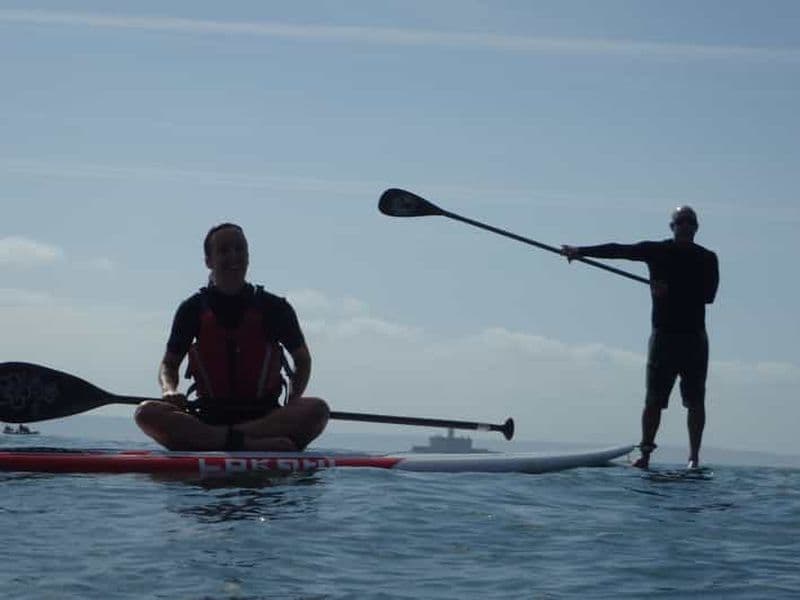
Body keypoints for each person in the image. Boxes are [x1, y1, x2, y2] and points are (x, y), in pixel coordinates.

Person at [135, 223, 329, 451]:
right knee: (145, 413)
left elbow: (302, 360)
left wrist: (293, 401)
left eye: (240, 249)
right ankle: (248, 444)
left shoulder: (275, 307)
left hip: (265, 417)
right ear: (209, 261)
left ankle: (220, 440)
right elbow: (169, 364)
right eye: (224, 250)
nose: (234, 256)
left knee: (318, 410)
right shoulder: (192, 309)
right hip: (208, 415)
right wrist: (169, 390)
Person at [562, 206, 719, 469]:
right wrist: (580, 252)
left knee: (695, 401)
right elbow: (618, 250)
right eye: (680, 222)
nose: (685, 226)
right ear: (672, 227)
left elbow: (709, 296)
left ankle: (693, 457)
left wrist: (670, 289)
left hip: (694, 339)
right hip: (663, 337)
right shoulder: (657, 251)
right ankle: (645, 453)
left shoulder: (707, 258)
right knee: (654, 400)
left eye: (690, 222)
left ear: (696, 228)